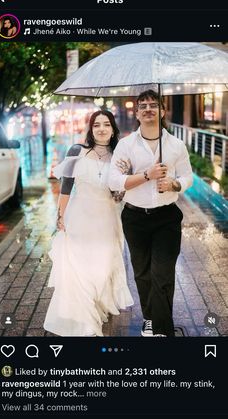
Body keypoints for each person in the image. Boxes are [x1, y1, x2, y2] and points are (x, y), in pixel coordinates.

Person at [109, 90, 193, 337]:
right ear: (136, 113)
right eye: (143, 105)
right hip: (135, 218)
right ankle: (149, 318)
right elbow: (115, 181)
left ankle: (162, 329)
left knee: (163, 272)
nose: (148, 109)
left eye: (153, 105)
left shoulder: (176, 145)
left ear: (162, 111)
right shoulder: (126, 145)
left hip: (166, 217)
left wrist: (175, 184)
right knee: (142, 272)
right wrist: (148, 175)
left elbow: (187, 175)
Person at [44, 110, 133, 337]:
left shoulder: (119, 157)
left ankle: (97, 306)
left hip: (106, 220)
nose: (101, 129)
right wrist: (60, 216)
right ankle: (83, 319)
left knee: (101, 269)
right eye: (96, 125)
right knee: (79, 269)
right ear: (91, 129)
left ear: (113, 129)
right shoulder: (77, 151)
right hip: (79, 217)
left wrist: (121, 188)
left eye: (106, 125)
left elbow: (117, 195)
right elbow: (66, 188)